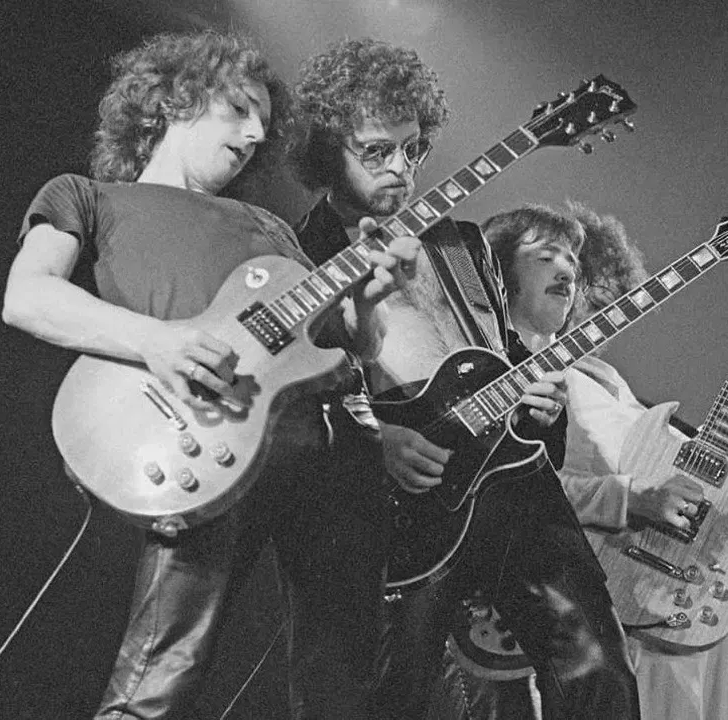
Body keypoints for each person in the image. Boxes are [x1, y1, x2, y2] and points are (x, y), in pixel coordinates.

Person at [1, 31, 418, 719]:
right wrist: (158, 341)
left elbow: (344, 349)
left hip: (329, 452)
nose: (255, 135)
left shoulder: (268, 225)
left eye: (263, 122)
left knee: (345, 679)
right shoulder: (87, 196)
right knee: (163, 673)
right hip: (204, 438)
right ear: (174, 100)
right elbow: (27, 297)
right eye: (239, 109)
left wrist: (368, 303)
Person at [288, 39, 640, 719]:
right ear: (329, 151)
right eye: (377, 151)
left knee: (600, 673)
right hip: (395, 513)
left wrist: (540, 409)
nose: (402, 168)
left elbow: (501, 359)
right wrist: (374, 436)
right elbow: (291, 393)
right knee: (389, 701)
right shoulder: (298, 253)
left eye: (414, 148)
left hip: (513, 489)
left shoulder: (462, 244)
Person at [432, 202, 728, 719]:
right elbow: (509, 485)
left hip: (671, 599)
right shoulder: (484, 377)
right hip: (595, 605)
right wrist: (630, 497)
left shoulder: (601, 379)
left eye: (573, 260)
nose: (567, 270)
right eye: (546, 256)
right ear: (496, 270)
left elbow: (698, 473)